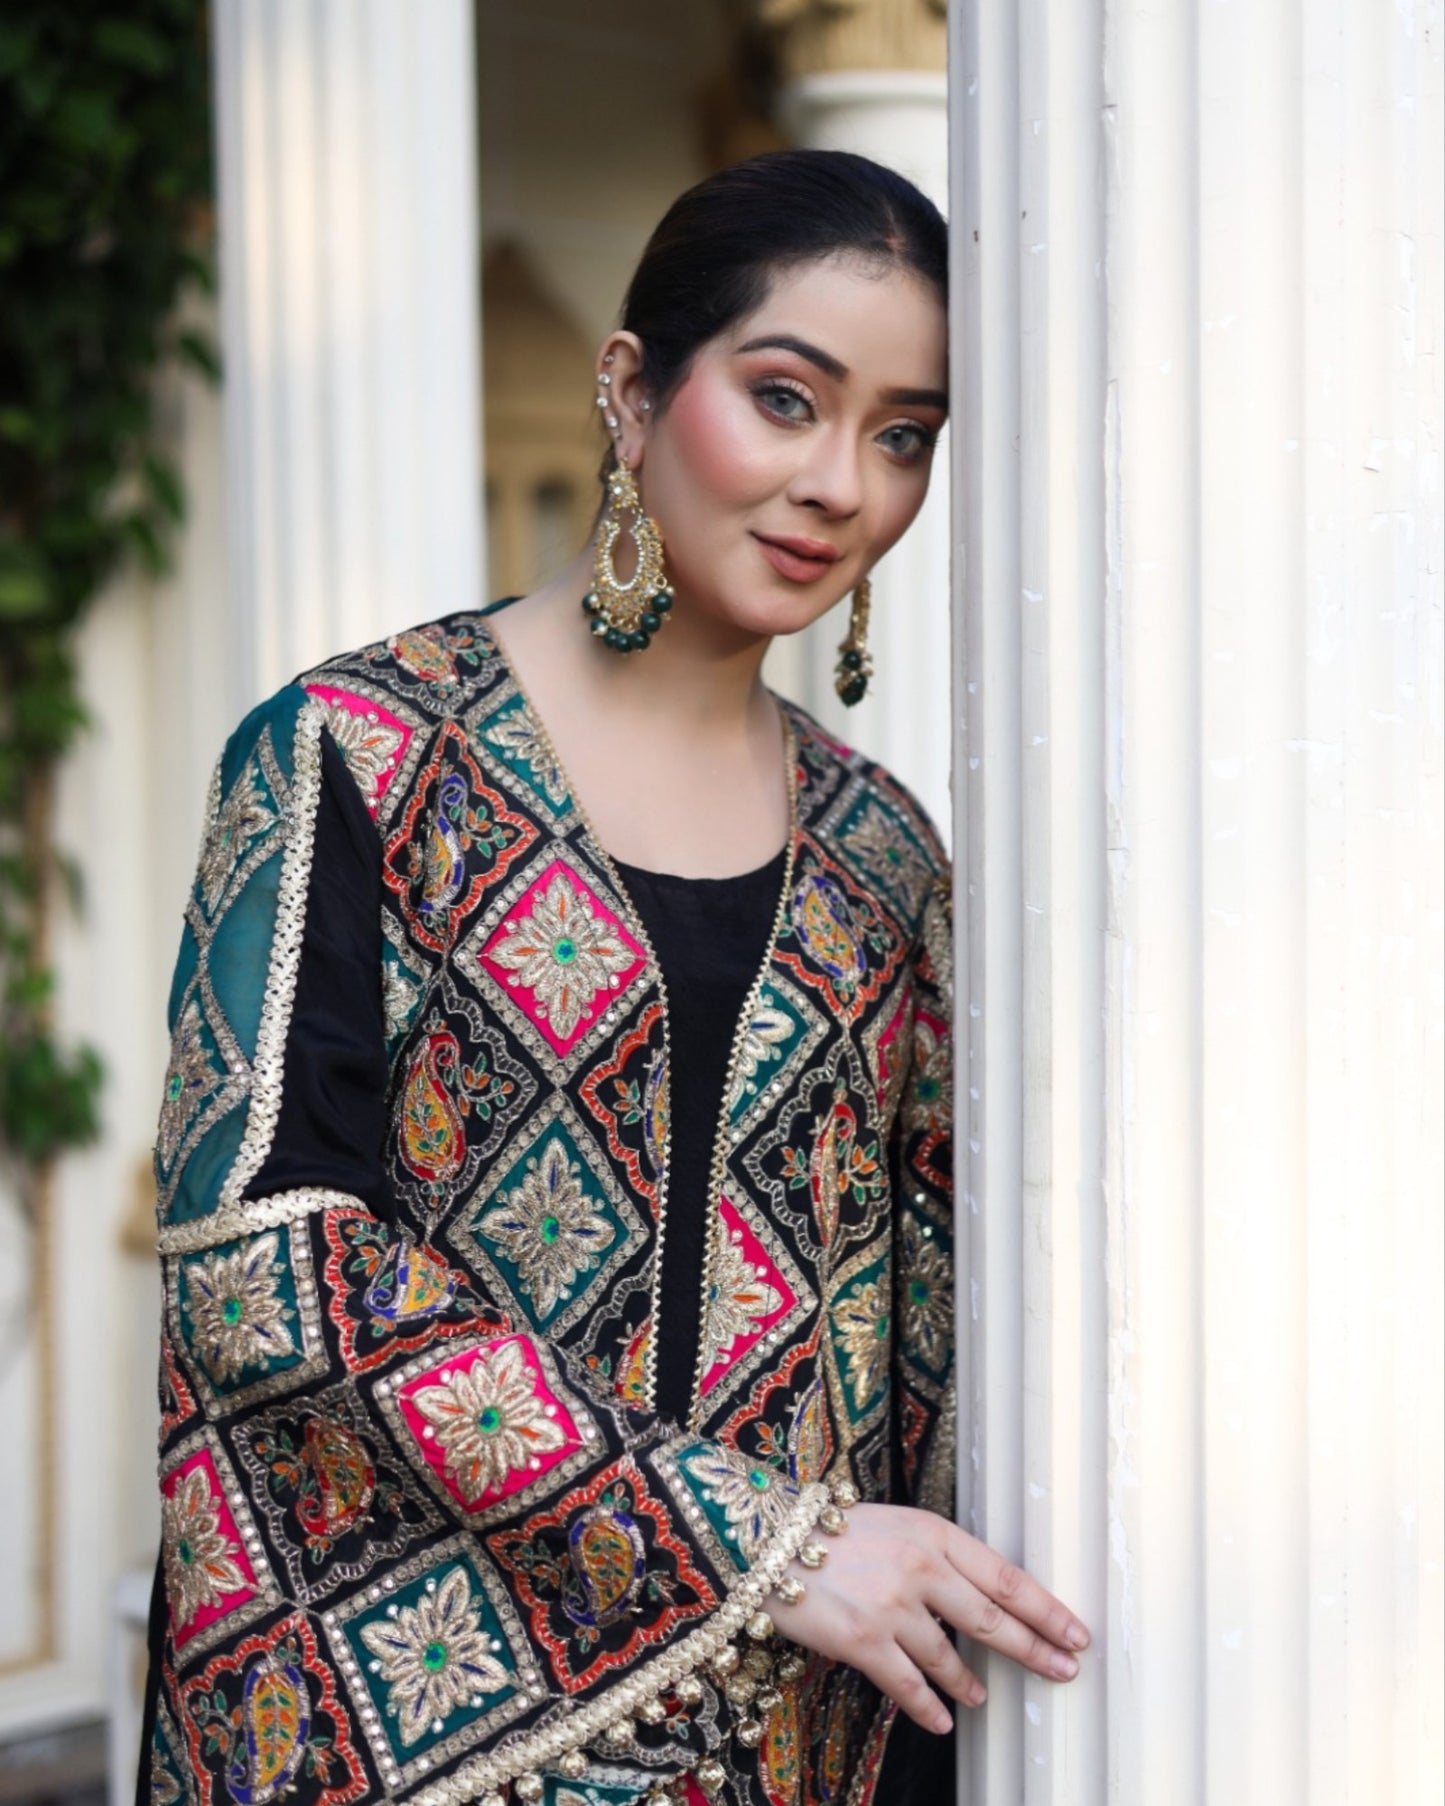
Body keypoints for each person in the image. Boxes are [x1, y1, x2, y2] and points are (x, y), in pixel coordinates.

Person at [138, 149, 1089, 1806]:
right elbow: (265, 1268)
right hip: (392, 1738)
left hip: (785, 1745)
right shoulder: (358, 757)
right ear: (632, 389)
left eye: (901, 436)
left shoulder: (883, 854)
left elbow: (920, 1341)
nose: (839, 484)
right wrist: (769, 1546)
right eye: (785, 396)